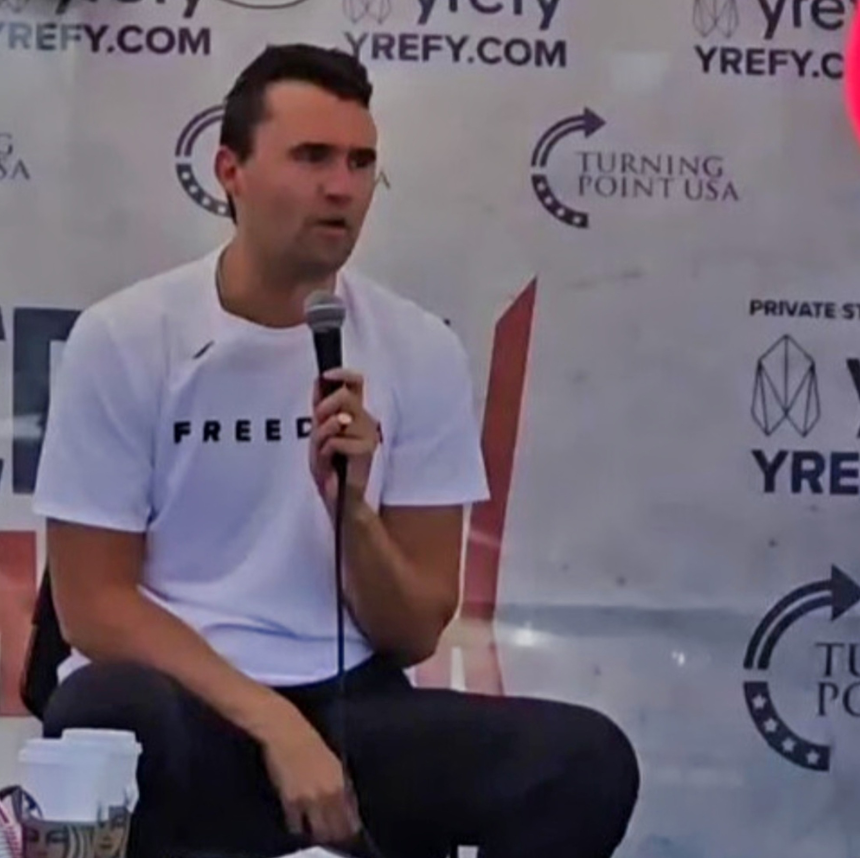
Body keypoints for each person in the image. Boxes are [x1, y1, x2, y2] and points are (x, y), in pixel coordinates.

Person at [32, 43, 639, 858]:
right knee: (104, 713)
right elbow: (94, 606)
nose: (342, 187)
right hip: (186, 703)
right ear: (230, 172)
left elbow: (414, 630)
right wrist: (274, 723)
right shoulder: (128, 337)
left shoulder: (417, 348)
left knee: (584, 763)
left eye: (360, 162)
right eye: (312, 156)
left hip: (353, 705)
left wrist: (353, 512)